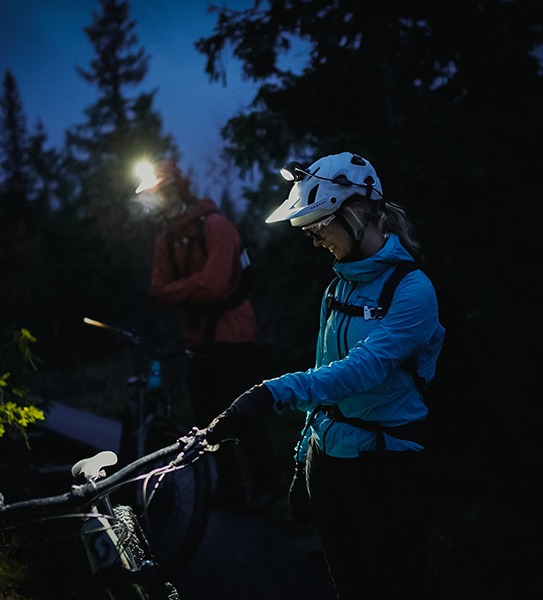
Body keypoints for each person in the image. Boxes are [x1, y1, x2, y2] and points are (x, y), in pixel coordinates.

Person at [207, 152, 445, 599]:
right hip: (328, 459)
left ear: (355, 213)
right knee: (349, 588)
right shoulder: (339, 285)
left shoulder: (413, 289)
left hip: (385, 468)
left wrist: (274, 391)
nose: (314, 240)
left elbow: (365, 369)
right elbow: (325, 373)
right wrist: (302, 456)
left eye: (319, 226)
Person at [143, 159, 278, 509]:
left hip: (235, 336)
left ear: (176, 188)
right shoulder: (166, 239)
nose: (158, 198)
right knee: (207, 423)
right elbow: (159, 289)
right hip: (197, 340)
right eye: (153, 192)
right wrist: (197, 287)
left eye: (161, 190)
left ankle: (267, 489)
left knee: (245, 414)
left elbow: (218, 286)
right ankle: (231, 490)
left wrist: (184, 290)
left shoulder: (216, 226)